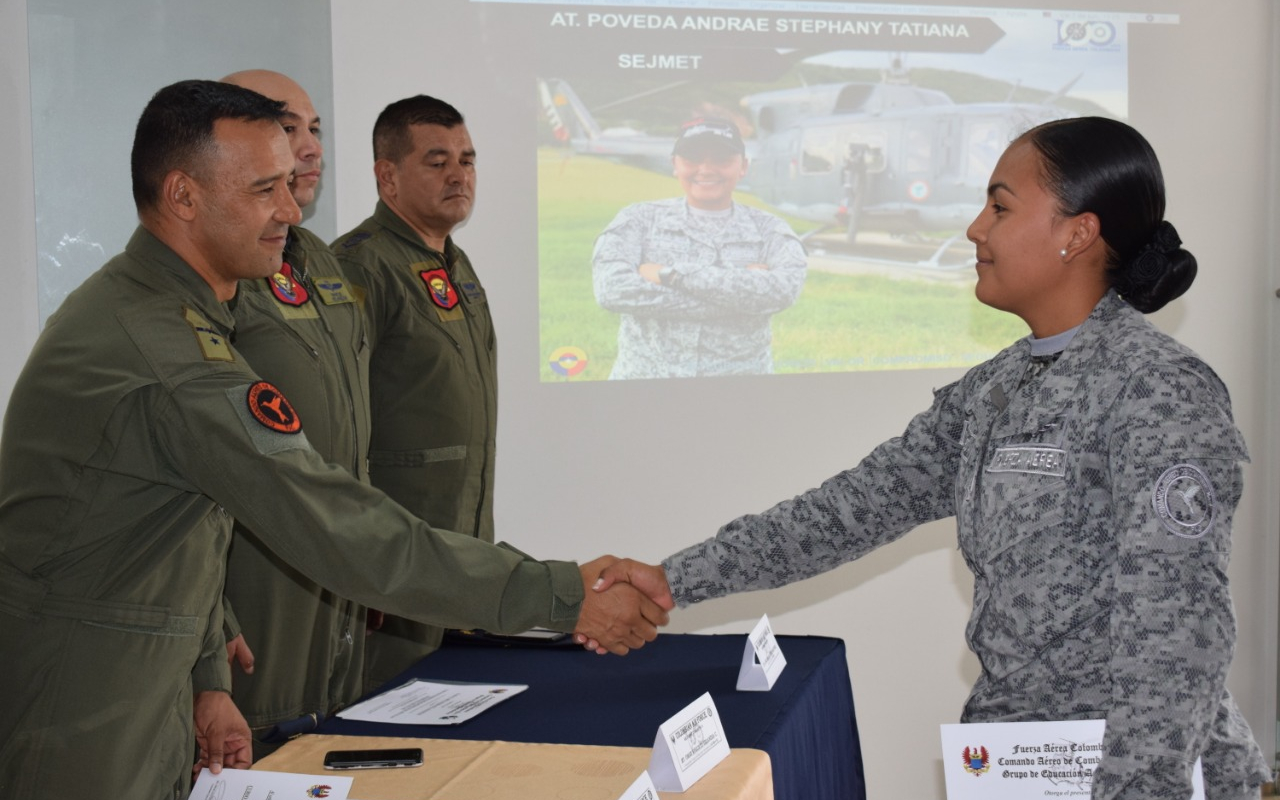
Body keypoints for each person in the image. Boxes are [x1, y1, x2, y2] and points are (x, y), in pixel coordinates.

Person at [0, 79, 670, 800]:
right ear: (184, 198)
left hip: (135, 687)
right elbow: (339, 526)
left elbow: (170, 526)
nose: (291, 211)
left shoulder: (167, 309)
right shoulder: (166, 350)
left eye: (290, 185)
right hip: (85, 708)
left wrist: (204, 680)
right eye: (265, 190)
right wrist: (563, 593)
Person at [589, 117, 1269, 799]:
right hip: (1024, 757)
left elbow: (1177, 633)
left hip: (1128, 768)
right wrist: (672, 578)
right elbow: (850, 510)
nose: (976, 228)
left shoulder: (1156, 389)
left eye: (1000, 207)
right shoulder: (998, 388)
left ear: (1077, 233)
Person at [217, 69, 369, 758]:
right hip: (258, 576)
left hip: (337, 570)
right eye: (286, 128)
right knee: (263, 745)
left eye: (314, 130)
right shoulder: (219, 275)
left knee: (326, 740)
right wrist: (209, 622)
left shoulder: (320, 264)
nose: (308, 148)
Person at [332, 95, 499, 692]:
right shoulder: (358, 267)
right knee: (389, 712)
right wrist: (361, 559)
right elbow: (336, 425)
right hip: (397, 558)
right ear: (387, 176)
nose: (459, 174)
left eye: (468, 159)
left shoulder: (457, 263)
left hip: (461, 546)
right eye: (437, 161)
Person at [592, 117, 806, 379]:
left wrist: (669, 275)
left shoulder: (770, 230)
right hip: (644, 384)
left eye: (721, 159)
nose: (706, 169)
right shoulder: (637, 220)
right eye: (692, 158)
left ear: (743, 166)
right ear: (675, 165)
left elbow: (783, 292)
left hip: (740, 391)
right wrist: (742, 294)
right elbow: (611, 289)